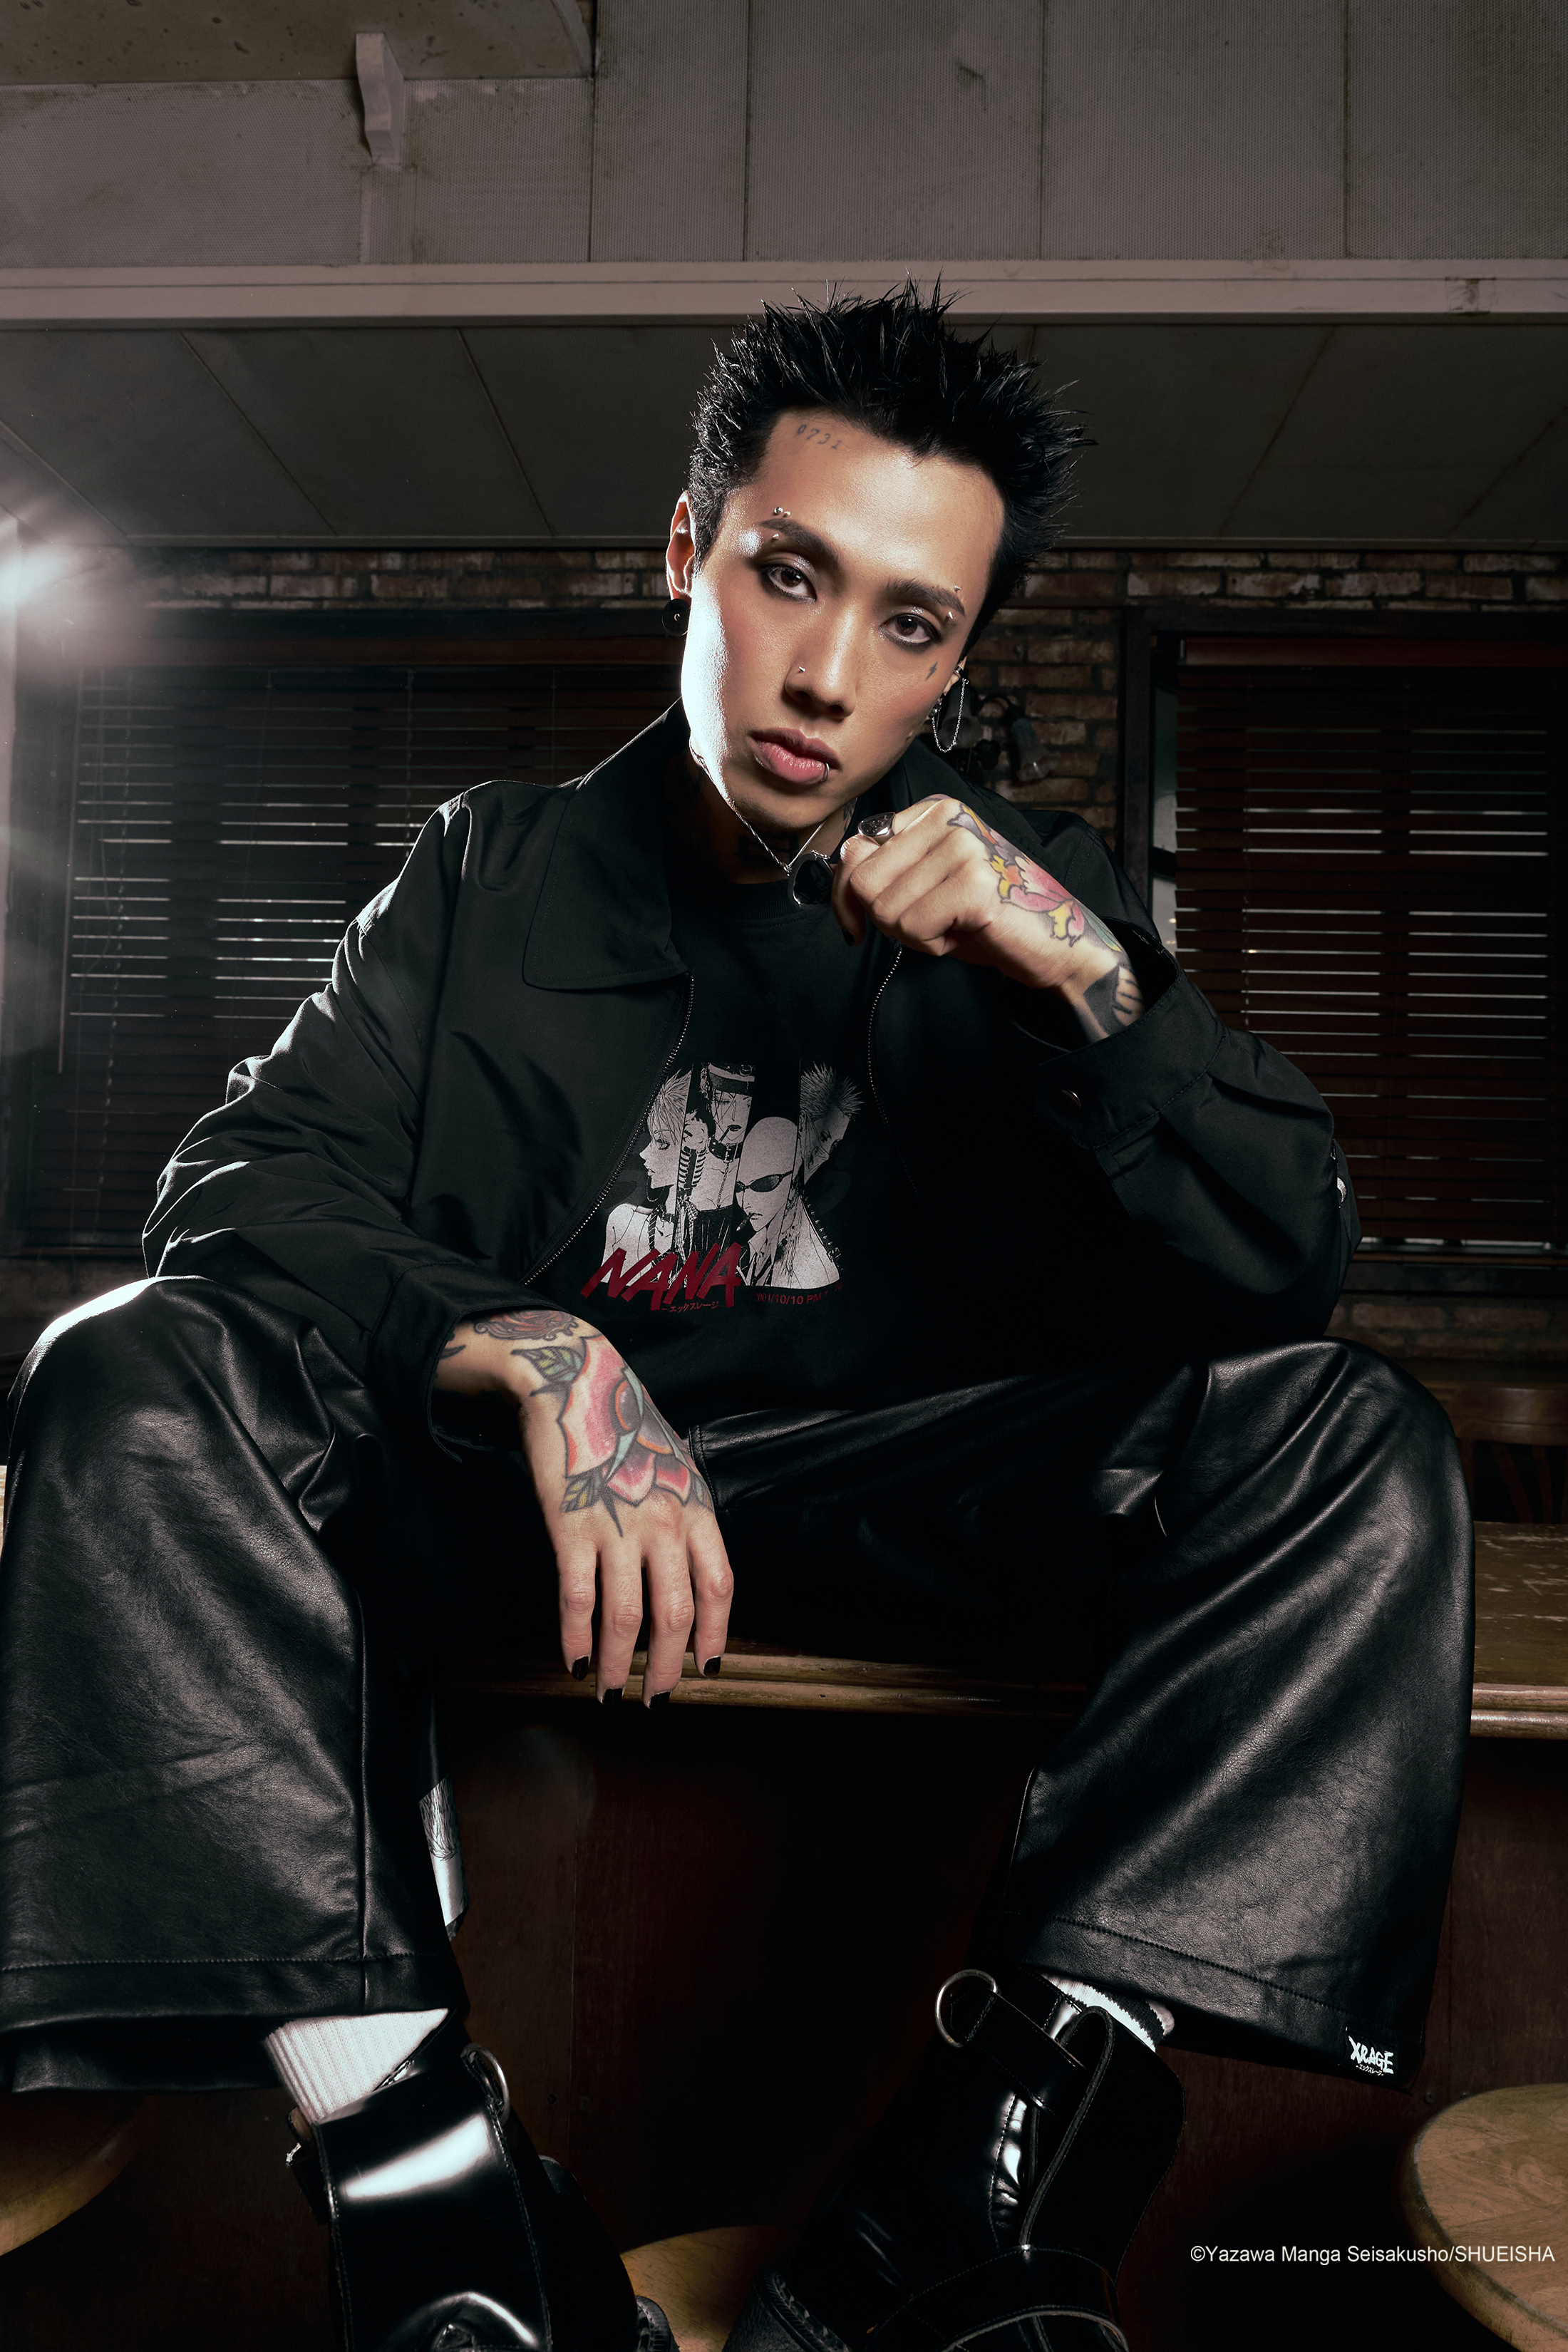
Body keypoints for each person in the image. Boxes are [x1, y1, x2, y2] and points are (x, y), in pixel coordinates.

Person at [0, 289, 1470, 2352]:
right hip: (506, 1517)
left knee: (1360, 1441)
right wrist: (535, 1348)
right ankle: (429, 2181)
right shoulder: (494, 871)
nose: (828, 676)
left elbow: (1285, 1261)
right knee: (121, 1362)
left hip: (887, 1505)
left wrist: (1092, 982)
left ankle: (976, 2196)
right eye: (791, 575)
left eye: (910, 623)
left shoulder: (1038, 893)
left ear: (958, 654)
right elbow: (239, 1195)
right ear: (688, 552)